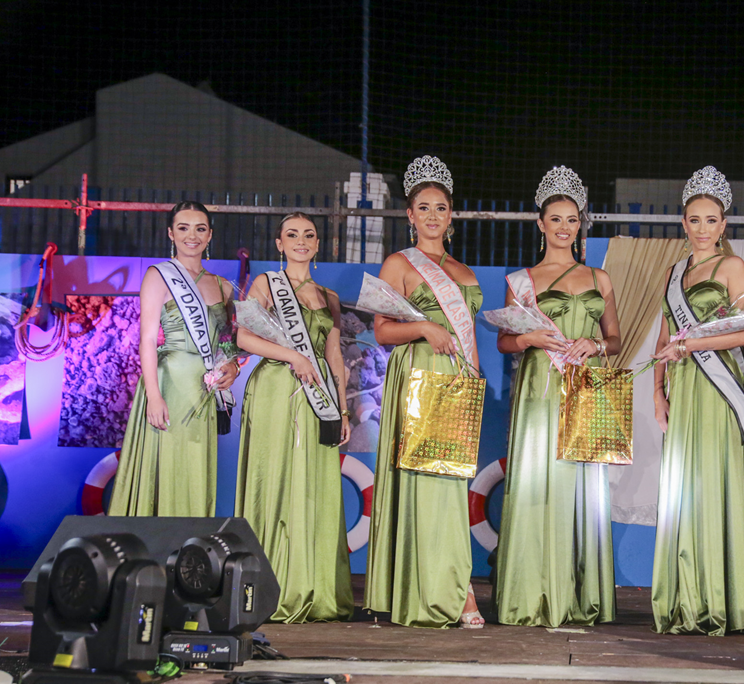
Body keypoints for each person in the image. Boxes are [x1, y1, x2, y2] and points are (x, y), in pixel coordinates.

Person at [494, 166, 621, 627]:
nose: (565, 227)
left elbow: (616, 339)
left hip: (584, 386)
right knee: (537, 481)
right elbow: (504, 342)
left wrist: (595, 345)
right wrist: (529, 341)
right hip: (540, 388)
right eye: (556, 219)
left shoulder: (599, 277)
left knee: (580, 486)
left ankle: (578, 590)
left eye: (572, 220)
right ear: (540, 223)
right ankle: (533, 587)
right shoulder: (521, 280)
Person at [365, 155, 486, 628]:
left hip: (455, 378)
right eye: (423, 207)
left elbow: (469, 331)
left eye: (440, 207)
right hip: (418, 375)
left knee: (451, 484)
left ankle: (452, 583)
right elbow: (381, 331)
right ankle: (450, 592)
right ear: (410, 215)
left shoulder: (465, 271)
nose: (433, 215)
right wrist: (423, 327)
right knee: (423, 482)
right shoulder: (398, 263)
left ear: (450, 215)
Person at [649, 166, 744, 635]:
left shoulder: (732, 268)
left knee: (715, 481)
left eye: (710, 220)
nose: (702, 228)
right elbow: (662, 335)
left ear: (724, 224)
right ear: (684, 223)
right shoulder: (675, 272)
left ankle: (719, 598)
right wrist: (657, 389)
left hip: (719, 388)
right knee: (684, 487)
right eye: (694, 220)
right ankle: (685, 595)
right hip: (683, 385)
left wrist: (692, 345)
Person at [234, 212, 354, 623]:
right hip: (275, 391)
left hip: (318, 394)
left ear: (318, 244)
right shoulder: (267, 284)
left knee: (313, 486)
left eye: (309, 235)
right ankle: (270, 586)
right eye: (292, 235)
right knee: (278, 479)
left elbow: (335, 354)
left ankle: (313, 585)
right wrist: (294, 356)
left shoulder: (329, 297)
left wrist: (342, 405)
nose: (301, 241)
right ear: (279, 243)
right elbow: (244, 336)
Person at [109, 202, 238, 517]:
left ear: (210, 235)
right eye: (183, 228)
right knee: (166, 462)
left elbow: (226, 341)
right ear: (170, 233)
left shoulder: (221, 284)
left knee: (196, 464)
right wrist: (153, 394)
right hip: (170, 381)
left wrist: (232, 366)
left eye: (200, 228)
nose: (191, 236)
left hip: (204, 387)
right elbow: (148, 339)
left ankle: (190, 545)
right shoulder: (159, 275)